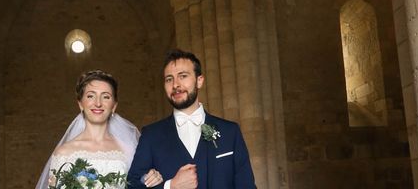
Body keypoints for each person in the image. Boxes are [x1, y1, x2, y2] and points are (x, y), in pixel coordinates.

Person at [127, 50, 256, 189]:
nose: (175, 84)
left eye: (183, 76)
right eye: (169, 79)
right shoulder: (151, 135)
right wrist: (170, 186)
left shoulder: (230, 132)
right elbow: (133, 184)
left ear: (199, 81)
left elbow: (246, 185)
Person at [36, 70, 164, 189]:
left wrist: (149, 178)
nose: (98, 103)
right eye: (91, 96)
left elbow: (137, 182)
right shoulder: (64, 153)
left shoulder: (130, 149)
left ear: (114, 106)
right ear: (80, 104)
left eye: (106, 97)